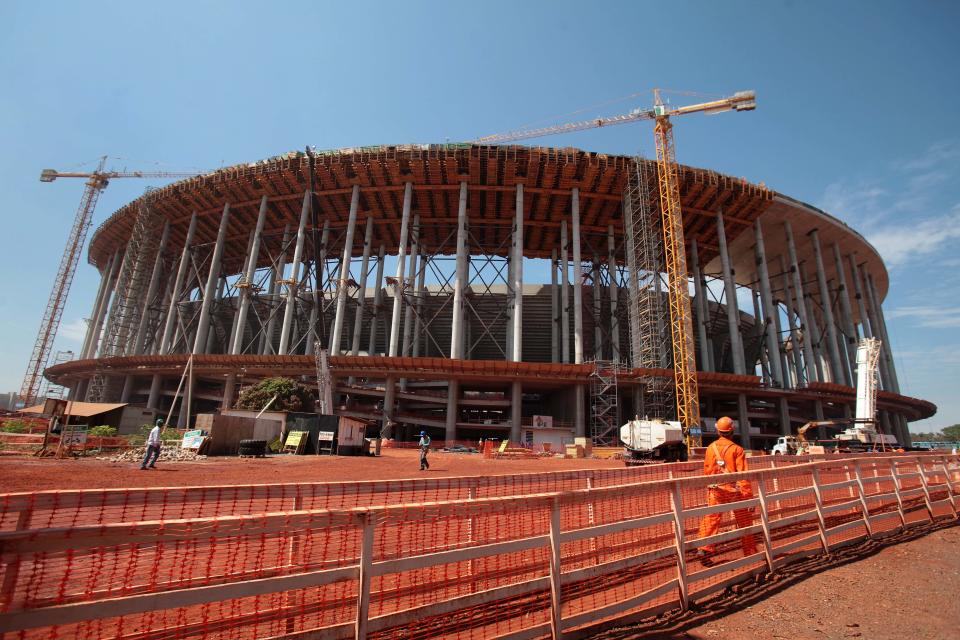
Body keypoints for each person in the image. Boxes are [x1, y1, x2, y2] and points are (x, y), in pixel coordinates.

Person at [696, 416, 757, 566]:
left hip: (715, 489)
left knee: (711, 518)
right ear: (732, 431)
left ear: (718, 431)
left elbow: (707, 470)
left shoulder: (710, 448)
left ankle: (704, 547)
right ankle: (750, 552)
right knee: (745, 521)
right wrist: (748, 497)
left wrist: (710, 486)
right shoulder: (737, 450)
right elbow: (743, 475)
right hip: (734, 491)